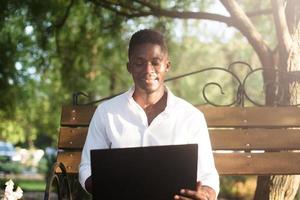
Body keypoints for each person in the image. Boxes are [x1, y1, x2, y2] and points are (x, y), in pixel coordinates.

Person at [79, 29, 219, 200]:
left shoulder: (191, 117)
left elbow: (209, 176)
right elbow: (87, 168)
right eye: (139, 63)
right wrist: (110, 189)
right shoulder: (106, 113)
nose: (148, 69)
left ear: (167, 65)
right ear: (129, 67)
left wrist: (204, 195)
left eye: (155, 62)